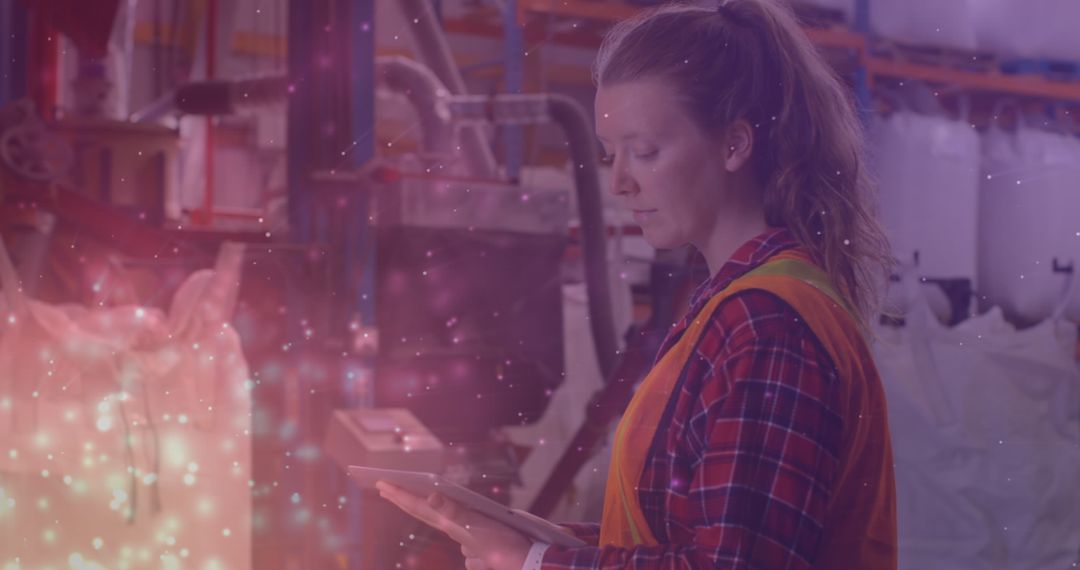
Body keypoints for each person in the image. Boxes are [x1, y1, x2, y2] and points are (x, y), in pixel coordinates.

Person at [376, 0, 898, 568]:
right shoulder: (736, 306)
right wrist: (542, 542)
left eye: (645, 152)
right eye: (610, 155)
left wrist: (537, 563)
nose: (619, 182)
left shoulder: (766, 324)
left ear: (734, 144)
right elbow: (684, 532)